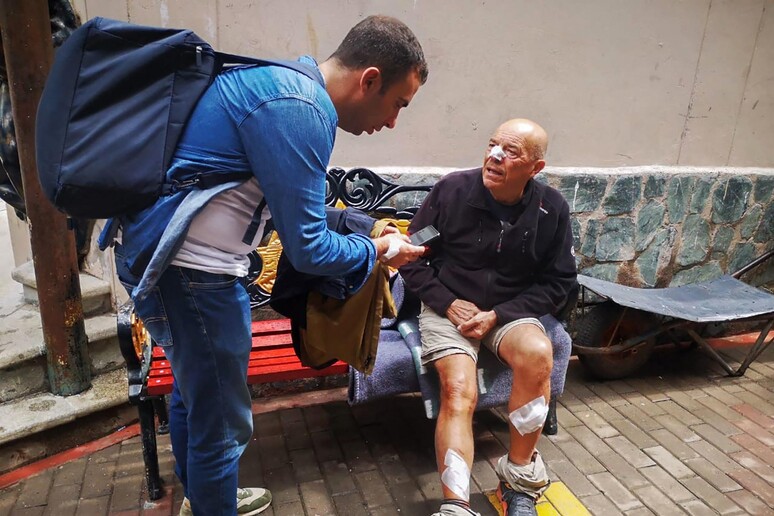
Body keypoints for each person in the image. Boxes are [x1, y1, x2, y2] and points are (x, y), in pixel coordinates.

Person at [99, 15, 428, 516]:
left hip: (173, 266)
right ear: (370, 80)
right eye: (398, 104)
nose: (392, 122)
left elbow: (303, 209)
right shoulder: (301, 109)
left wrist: (369, 231)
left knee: (195, 395)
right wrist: (380, 253)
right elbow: (310, 250)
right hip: (195, 275)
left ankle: (204, 500)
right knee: (224, 426)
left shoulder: (284, 85)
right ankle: (213, 504)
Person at [400, 119, 576, 516]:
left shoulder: (551, 209)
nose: (494, 156)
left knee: (538, 353)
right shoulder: (452, 191)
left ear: (535, 168)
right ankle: (455, 506)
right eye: (493, 144)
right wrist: (446, 302)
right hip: (450, 310)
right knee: (459, 389)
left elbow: (559, 280)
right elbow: (412, 257)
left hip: (507, 311)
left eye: (510, 151)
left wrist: (499, 315)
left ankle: (519, 483)